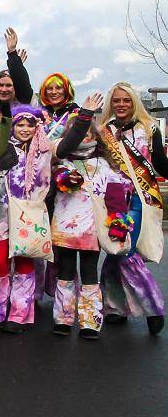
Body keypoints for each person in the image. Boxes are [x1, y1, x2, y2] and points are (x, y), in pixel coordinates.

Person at [51, 93, 131, 339]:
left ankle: (90, 321)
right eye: (78, 133)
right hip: (65, 226)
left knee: (88, 272)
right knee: (64, 271)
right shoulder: (63, 160)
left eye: (88, 132)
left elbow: (116, 198)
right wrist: (66, 179)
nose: (84, 136)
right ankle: (63, 318)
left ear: (95, 136)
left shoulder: (105, 166)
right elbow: (60, 182)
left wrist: (118, 223)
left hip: (92, 229)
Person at [98, 82, 166, 335]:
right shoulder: (104, 131)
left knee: (124, 251)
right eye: (117, 100)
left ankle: (153, 307)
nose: (121, 105)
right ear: (111, 104)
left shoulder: (149, 129)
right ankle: (115, 307)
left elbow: (159, 162)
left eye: (126, 100)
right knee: (115, 251)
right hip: (112, 198)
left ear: (134, 102)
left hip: (139, 197)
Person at [0, 105, 52, 334]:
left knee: (25, 262)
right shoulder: (1, 148)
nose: (24, 129)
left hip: (29, 216)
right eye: (19, 124)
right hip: (2, 215)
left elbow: (44, 184)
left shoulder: (43, 151)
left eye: (29, 125)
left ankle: (20, 314)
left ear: (36, 127)